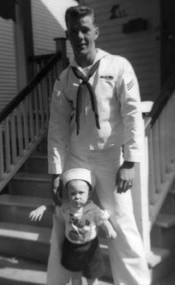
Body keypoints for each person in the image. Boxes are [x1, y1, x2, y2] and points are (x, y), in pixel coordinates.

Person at [47, 5, 151, 285]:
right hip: (77, 159)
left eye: (85, 29)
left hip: (110, 159)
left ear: (96, 31)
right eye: (74, 31)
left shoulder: (118, 67)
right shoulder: (64, 79)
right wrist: (56, 172)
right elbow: (57, 127)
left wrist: (130, 162)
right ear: (68, 35)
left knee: (122, 224)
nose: (80, 36)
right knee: (63, 220)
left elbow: (132, 116)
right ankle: (59, 282)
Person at [29, 168, 117, 285]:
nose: (77, 196)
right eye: (73, 193)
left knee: (92, 277)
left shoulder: (93, 209)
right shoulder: (66, 207)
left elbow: (102, 220)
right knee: (75, 277)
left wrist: (109, 229)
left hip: (90, 247)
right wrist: (42, 208)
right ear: (68, 195)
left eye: (81, 193)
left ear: (89, 193)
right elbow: (53, 207)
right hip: (72, 247)